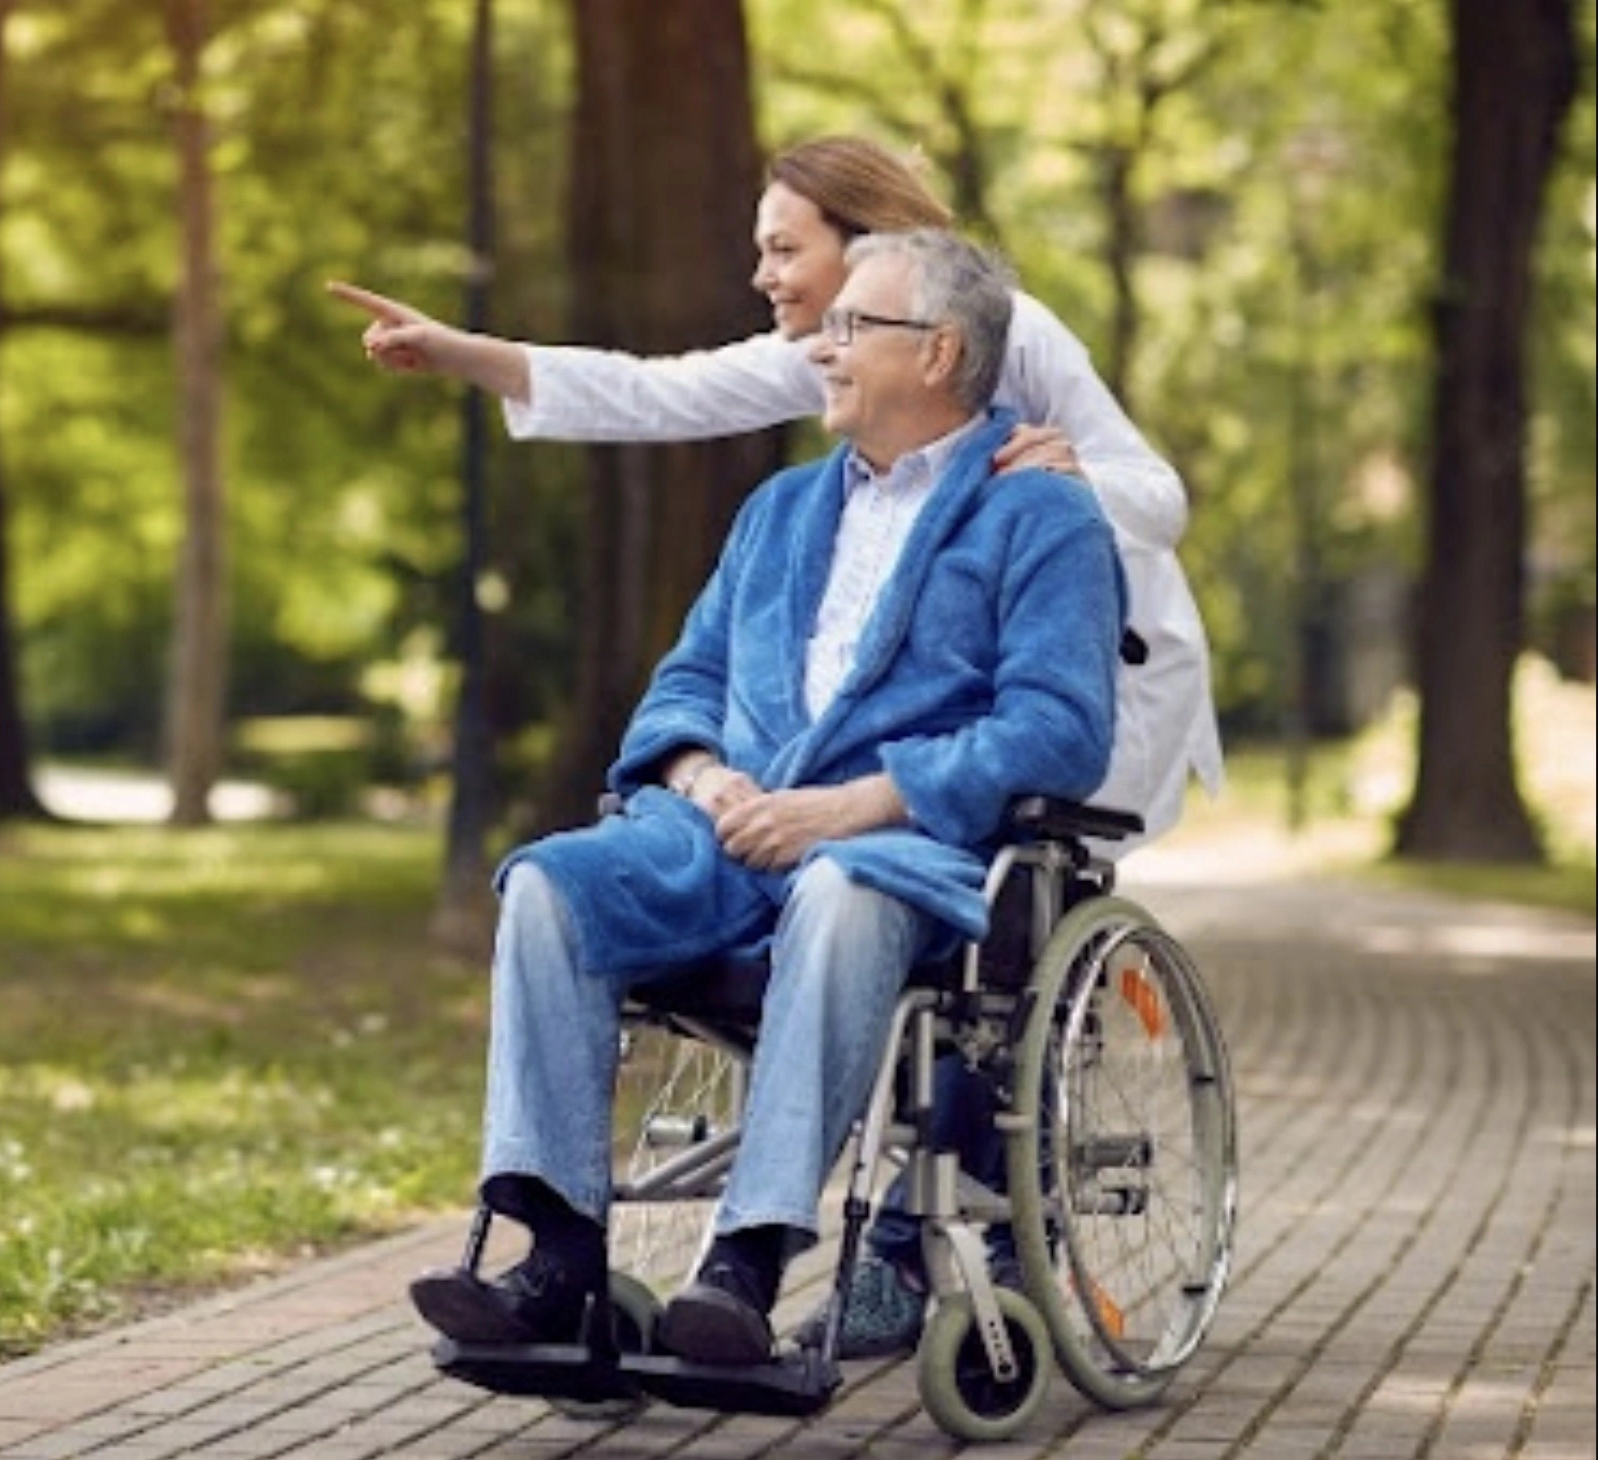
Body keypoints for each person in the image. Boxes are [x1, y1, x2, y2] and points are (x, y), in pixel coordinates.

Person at [407, 229, 1126, 1369]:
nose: (821, 349)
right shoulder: (780, 511)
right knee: (548, 882)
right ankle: (556, 1253)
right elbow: (683, 685)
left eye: (850, 327)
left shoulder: (1041, 513)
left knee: (838, 891)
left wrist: (840, 811)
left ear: (938, 352)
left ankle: (743, 1258)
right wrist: (704, 776)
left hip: (892, 852)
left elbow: (1060, 728)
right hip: (721, 834)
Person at [328, 135, 1220, 848]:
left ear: (863, 243)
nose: (764, 276)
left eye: (785, 249)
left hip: (1096, 658)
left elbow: (1159, 496)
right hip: (944, 688)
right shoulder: (820, 357)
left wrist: (1069, 478)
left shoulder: (1010, 330)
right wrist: (456, 351)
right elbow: (655, 392)